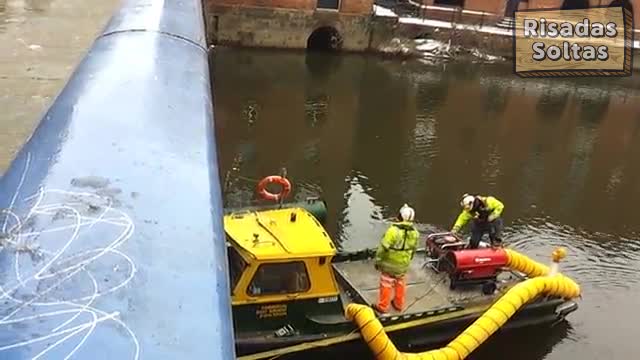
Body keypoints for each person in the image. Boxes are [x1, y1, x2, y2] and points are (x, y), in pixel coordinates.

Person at [374, 204, 420, 313]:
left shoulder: (393, 231)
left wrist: (378, 261)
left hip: (389, 264)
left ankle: (383, 306)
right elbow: (413, 250)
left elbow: (383, 248)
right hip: (403, 265)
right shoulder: (415, 233)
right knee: (400, 282)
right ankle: (398, 304)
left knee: (386, 283)